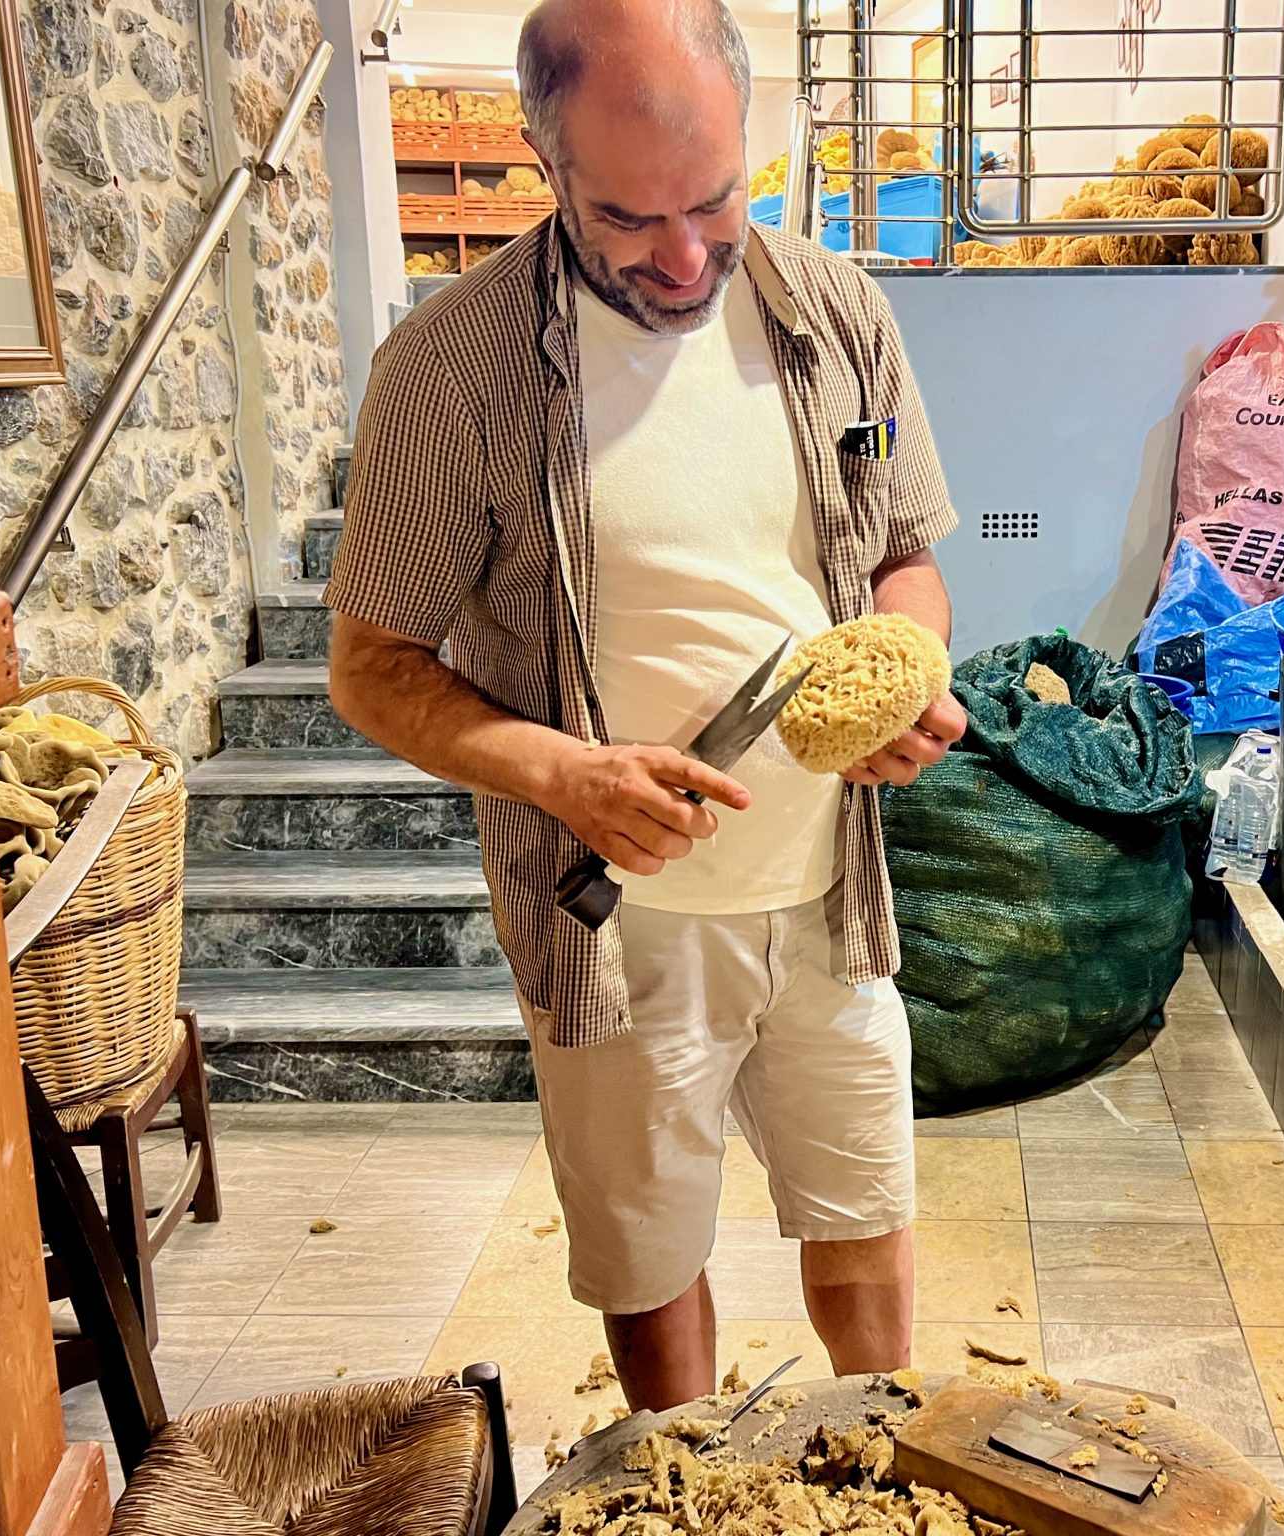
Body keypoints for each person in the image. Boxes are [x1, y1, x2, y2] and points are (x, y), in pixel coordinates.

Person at [324, 0, 965, 1412]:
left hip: (831, 889)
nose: (683, 258)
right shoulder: (450, 370)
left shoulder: (836, 313)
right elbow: (370, 666)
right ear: (544, 162)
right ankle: (680, 1477)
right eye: (627, 216)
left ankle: (885, 1458)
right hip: (616, 920)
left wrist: (907, 670)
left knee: (865, 1213)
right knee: (652, 1256)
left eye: (717, 199)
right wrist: (563, 774)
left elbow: (905, 559)